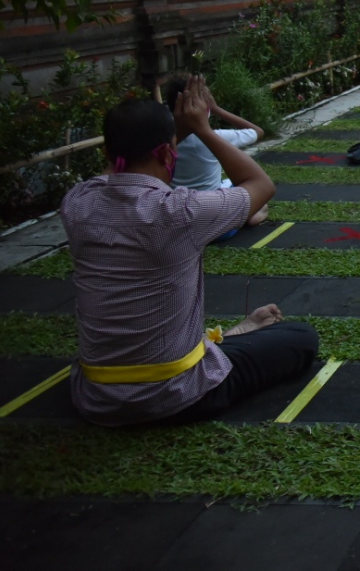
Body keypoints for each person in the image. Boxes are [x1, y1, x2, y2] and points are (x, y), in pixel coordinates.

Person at [62, 78, 317, 426]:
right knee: (301, 338)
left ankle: (231, 336)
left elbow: (120, 167)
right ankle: (225, 344)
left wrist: (174, 132)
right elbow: (261, 185)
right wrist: (202, 127)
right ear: (169, 154)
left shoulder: (77, 202)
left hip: (95, 396)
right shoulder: (181, 211)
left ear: (107, 153)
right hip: (177, 393)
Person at [159, 74, 270, 226]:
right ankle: (251, 215)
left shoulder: (161, 141)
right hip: (215, 219)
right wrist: (217, 109)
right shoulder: (216, 138)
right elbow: (257, 131)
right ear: (204, 106)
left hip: (179, 218)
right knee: (256, 196)